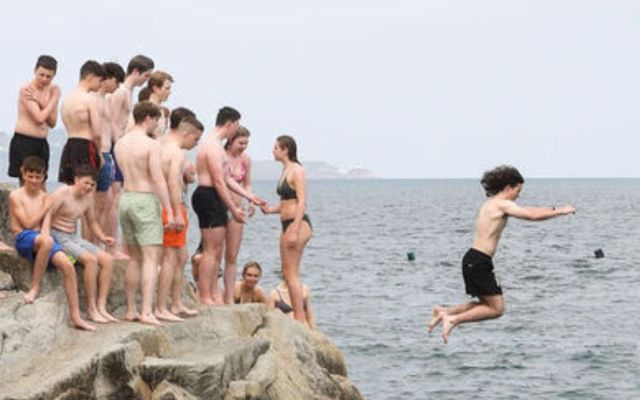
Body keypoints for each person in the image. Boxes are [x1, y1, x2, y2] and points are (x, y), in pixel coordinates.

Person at [428, 165, 576, 344]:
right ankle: (452, 319)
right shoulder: (502, 204)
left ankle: (445, 311)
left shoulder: (490, 204)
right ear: (508, 187)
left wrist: (552, 208)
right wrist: (561, 210)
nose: (518, 195)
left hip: (473, 259)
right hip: (479, 261)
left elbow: (531, 209)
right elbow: (531, 215)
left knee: (486, 305)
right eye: (518, 190)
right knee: (497, 309)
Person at [8, 157, 95, 331]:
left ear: (43, 177)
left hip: (42, 240)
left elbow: (47, 222)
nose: (33, 180)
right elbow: (27, 223)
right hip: (24, 237)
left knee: (67, 264)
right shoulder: (16, 196)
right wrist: (46, 206)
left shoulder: (45, 196)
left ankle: (75, 316)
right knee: (46, 240)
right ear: (23, 174)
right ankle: (35, 287)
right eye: (30, 176)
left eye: (37, 177)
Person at [192, 106, 263, 305]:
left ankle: (215, 293)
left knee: (217, 252)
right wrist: (233, 208)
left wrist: (250, 196)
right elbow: (218, 181)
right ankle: (206, 295)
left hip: (215, 197)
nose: (236, 131)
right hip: (208, 196)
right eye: (236, 126)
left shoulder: (215, 145)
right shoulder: (213, 146)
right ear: (229, 124)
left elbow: (227, 179)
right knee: (211, 250)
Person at [114, 101, 175, 326]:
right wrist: (169, 209)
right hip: (145, 200)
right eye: (157, 120)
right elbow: (158, 178)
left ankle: (131, 309)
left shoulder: (120, 143)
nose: (158, 125)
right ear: (149, 118)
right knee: (151, 258)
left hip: (126, 198)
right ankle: (147, 311)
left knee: (134, 258)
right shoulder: (151, 145)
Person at [44, 164, 118, 324]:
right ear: (76, 179)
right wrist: (45, 237)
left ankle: (101, 306)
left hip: (73, 236)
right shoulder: (62, 193)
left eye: (92, 185)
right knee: (90, 260)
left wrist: (103, 237)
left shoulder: (87, 199)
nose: (89, 187)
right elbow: (47, 214)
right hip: (57, 235)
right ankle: (91, 308)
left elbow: (92, 223)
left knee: (107, 259)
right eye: (86, 183)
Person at [155, 110, 203, 321]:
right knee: (171, 258)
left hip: (159, 204)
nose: (196, 144)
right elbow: (174, 183)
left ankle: (175, 302)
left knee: (181, 256)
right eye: (196, 139)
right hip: (171, 207)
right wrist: (176, 212)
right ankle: (162, 306)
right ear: (186, 134)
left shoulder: (160, 144)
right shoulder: (175, 152)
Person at [260, 136, 312, 325]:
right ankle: (298, 315)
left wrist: (294, 229)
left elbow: (301, 201)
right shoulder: (285, 170)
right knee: (287, 271)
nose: (273, 151)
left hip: (297, 224)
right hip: (286, 222)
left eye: (276, 148)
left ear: (286, 150)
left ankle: (299, 317)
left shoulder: (297, 170)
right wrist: (271, 210)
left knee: (291, 273)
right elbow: (286, 203)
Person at [107, 54, 155, 259]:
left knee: (116, 198)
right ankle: (110, 245)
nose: (146, 80)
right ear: (135, 72)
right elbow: (109, 119)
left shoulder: (129, 92)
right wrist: (119, 141)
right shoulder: (121, 92)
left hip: (119, 145)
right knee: (114, 199)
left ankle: (115, 243)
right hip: (114, 146)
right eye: (145, 75)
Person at [8, 55, 60, 183]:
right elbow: (39, 118)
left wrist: (42, 102)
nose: (44, 79)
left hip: (42, 142)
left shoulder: (52, 90)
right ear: (35, 70)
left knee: (41, 183)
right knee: (26, 184)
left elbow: (52, 122)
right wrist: (53, 99)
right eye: (41, 75)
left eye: (48, 76)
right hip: (24, 141)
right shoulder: (27, 89)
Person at [58, 60, 106, 184]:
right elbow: (97, 133)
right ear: (91, 77)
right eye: (100, 80)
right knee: (88, 187)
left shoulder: (66, 100)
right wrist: (99, 154)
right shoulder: (90, 99)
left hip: (69, 145)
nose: (101, 85)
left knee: (71, 189)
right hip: (86, 146)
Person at [93, 62, 125, 244]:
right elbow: (94, 130)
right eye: (117, 82)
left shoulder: (104, 100)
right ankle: (89, 245)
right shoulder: (94, 99)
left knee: (103, 205)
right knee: (93, 207)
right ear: (109, 78)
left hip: (106, 153)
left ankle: (95, 244)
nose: (117, 86)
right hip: (100, 153)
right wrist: (98, 154)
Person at [223, 126, 256, 305]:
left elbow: (247, 183)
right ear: (230, 140)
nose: (244, 146)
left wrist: (250, 200)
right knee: (215, 252)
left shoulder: (245, 159)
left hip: (238, 208)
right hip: (221, 207)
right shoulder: (222, 157)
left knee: (232, 255)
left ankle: (229, 295)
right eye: (240, 142)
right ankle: (214, 291)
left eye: (246, 143)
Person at [137, 71, 173, 137]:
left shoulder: (161, 111)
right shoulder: (144, 110)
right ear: (155, 88)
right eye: (167, 88)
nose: (170, 92)